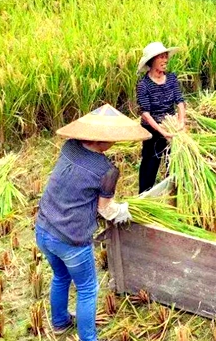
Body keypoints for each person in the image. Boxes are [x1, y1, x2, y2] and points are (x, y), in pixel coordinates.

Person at [35, 104, 151, 341]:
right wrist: (123, 211)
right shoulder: (106, 171)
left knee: (60, 277)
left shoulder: (69, 147)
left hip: (43, 229)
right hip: (72, 239)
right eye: (112, 139)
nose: (115, 143)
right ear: (101, 141)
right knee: (88, 289)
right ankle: (88, 338)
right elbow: (106, 210)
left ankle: (59, 323)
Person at [135, 42, 186, 194]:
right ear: (152, 61)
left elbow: (180, 101)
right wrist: (161, 131)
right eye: (161, 58)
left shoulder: (171, 78)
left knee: (174, 160)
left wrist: (181, 121)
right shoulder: (143, 84)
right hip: (152, 128)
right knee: (150, 163)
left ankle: (174, 192)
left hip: (171, 126)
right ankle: (144, 196)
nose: (165, 60)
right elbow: (145, 113)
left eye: (166, 57)